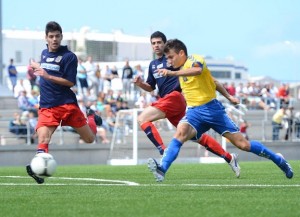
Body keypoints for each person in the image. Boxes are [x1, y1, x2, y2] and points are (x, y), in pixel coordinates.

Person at [148, 38, 293, 182]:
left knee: (243, 144)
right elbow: (214, 82)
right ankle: (162, 169)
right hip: (194, 112)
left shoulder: (194, 60)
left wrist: (172, 73)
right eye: (167, 58)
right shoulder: (180, 70)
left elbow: (198, 70)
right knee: (180, 133)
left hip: (212, 110)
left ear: (181, 53)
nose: (169, 61)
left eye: (171, 57)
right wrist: (229, 97)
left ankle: (278, 159)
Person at [134, 31, 240, 178]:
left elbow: (196, 71)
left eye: (159, 42)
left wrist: (227, 95)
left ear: (165, 44)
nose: (156, 46)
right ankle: (229, 157)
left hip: (176, 97)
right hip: (168, 102)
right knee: (196, 137)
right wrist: (140, 84)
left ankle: (163, 151)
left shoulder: (173, 59)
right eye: (153, 43)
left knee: (142, 118)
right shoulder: (153, 65)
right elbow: (151, 87)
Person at [26, 21, 102, 184]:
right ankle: (39, 171)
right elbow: (46, 69)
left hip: (67, 105)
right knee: (43, 137)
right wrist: (37, 66)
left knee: (90, 139)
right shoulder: (44, 53)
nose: (54, 39)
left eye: (57, 36)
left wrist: (47, 76)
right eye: (51, 36)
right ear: (46, 38)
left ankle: (91, 118)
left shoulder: (69, 57)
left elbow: (70, 82)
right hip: (47, 106)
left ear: (61, 37)